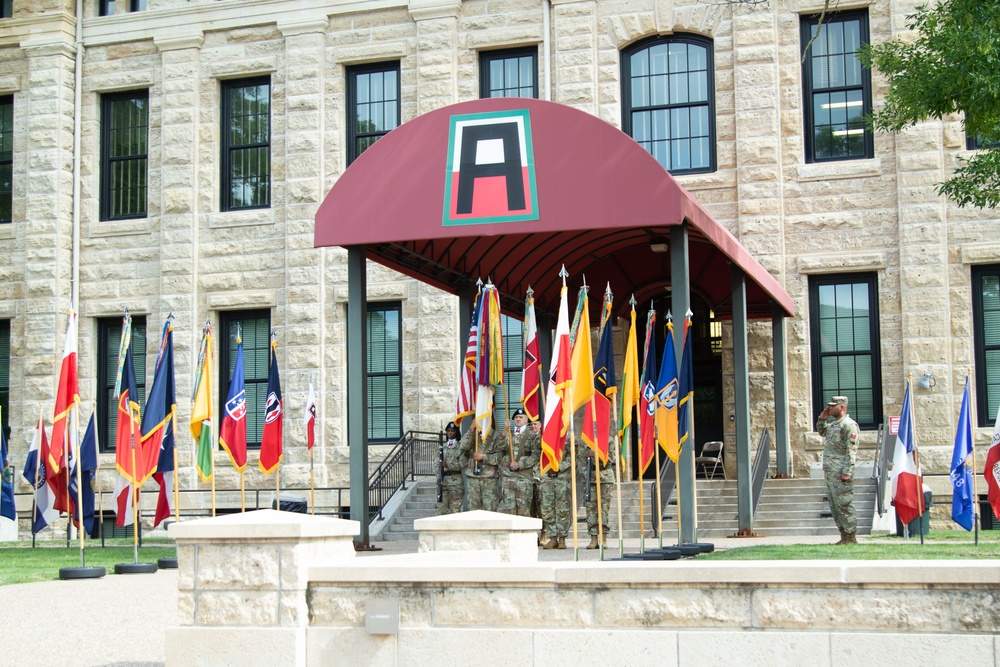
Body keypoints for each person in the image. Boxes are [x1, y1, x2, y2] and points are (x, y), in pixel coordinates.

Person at [817, 395, 860, 545]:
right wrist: (822, 419)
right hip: (831, 473)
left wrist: (847, 472)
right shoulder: (835, 425)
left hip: (841, 472)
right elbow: (822, 432)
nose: (830, 408)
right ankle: (843, 536)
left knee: (844, 503)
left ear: (841, 407)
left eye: (832, 406)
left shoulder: (848, 425)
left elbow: (851, 451)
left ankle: (851, 537)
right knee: (835, 506)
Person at [498, 409, 540, 517]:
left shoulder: (532, 436)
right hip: (508, 477)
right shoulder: (508, 434)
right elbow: (500, 447)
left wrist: (520, 464)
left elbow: (536, 456)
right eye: (516, 417)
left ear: (526, 420)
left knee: (524, 508)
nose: (518, 419)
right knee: (509, 510)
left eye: (521, 417)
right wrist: (504, 430)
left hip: (524, 478)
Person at [579, 437, 615, 549]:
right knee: (591, 509)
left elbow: (611, 458)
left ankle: (603, 539)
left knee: (603, 509)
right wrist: (586, 475)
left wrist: (596, 454)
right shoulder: (585, 439)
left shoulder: (608, 440)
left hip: (604, 476)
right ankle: (593, 539)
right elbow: (580, 461)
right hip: (590, 477)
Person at [459, 420, 502, 511]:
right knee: (473, 508)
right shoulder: (472, 434)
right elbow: (463, 446)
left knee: (490, 508)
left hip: (489, 477)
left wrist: (483, 457)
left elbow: (500, 457)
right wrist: (471, 429)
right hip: (473, 476)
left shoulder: (496, 436)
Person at [540, 437, 571, 549]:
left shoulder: (569, 439)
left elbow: (573, 457)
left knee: (562, 509)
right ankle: (552, 538)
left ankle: (562, 538)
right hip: (547, 477)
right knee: (547, 509)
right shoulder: (546, 437)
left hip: (562, 478)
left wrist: (558, 466)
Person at [438, 422, 465, 514]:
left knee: (455, 510)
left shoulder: (461, 447)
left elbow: (462, 464)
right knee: (441, 510)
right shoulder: (442, 447)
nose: (450, 433)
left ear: (456, 432)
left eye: (452, 431)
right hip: (443, 481)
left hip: (455, 482)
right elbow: (435, 462)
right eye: (448, 431)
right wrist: (438, 475)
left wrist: (448, 465)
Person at [528, 419, 545, 544]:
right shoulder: (526, 439)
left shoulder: (545, 439)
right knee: (531, 509)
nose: (533, 426)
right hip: (528, 478)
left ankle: (544, 534)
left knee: (542, 509)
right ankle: (534, 535)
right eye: (531, 424)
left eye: (535, 424)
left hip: (541, 478)